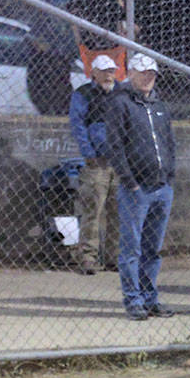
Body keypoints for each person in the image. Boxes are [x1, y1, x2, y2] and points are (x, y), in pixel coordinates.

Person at [104, 53, 176, 321]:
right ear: (130, 73)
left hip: (162, 187)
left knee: (153, 248)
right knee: (132, 248)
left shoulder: (159, 106)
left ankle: (150, 298)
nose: (148, 78)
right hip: (137, 189)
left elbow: (169, 142)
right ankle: (133, 299)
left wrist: (169, 178)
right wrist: (130, 181)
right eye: (143, 72)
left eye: (152, 74)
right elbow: (115, 145)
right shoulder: (120, 103)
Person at [68, 54, 118, 276]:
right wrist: (88, 153)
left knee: (118, 210)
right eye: (105, 71)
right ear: (93, 74)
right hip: (96, 162)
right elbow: (77, 124)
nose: (109, 75)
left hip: (118, 162)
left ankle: (114, 256)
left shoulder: (120, 94)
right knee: (93, 211)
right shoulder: (83, 94)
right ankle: (88, 257)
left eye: (111, 71)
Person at [68, 0, 128, 79]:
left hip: (90, 43)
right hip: (111, 41)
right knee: (114, 75)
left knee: (94, 75)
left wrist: (78, 39)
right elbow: (120, 17)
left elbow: (73, 18)